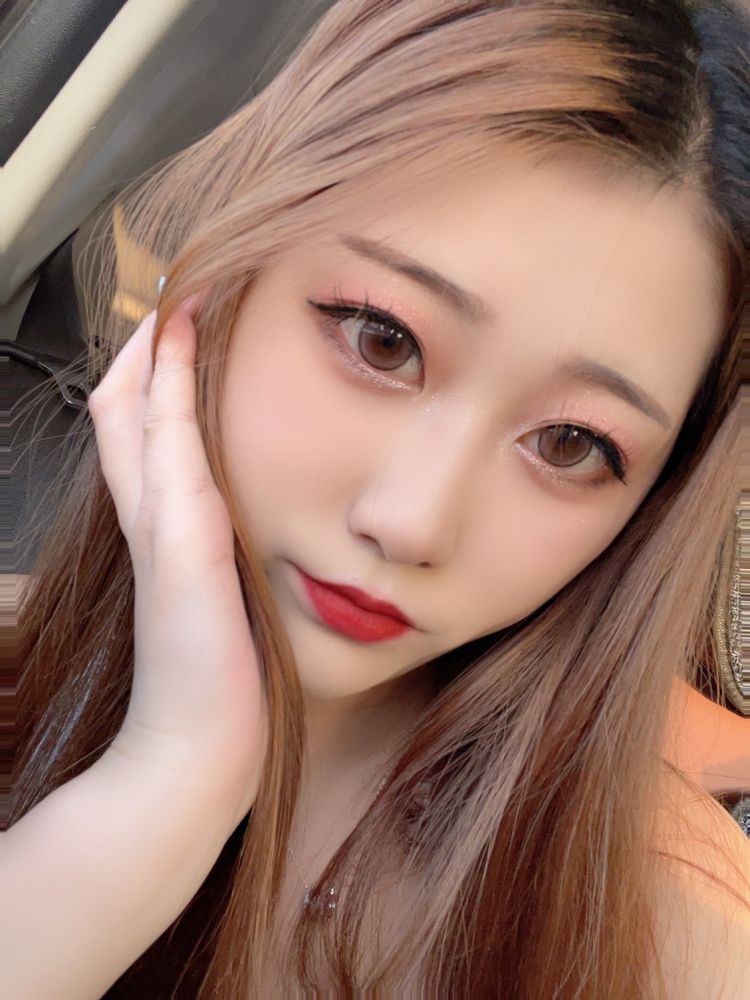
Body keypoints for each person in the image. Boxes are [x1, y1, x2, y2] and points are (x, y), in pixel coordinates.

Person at [6, 0, 750, 996]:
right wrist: (166, 786)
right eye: (381, 339)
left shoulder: (666, 933)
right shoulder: (20, 672)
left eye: (571, 444)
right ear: (219, 282)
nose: (410, 521)